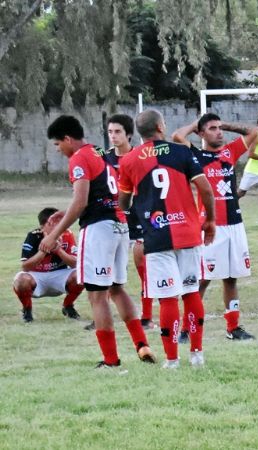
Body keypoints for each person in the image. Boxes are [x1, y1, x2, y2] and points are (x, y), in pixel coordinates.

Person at [43, 115, 155, 368]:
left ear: (67, 139)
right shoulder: (100, 152)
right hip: (119, 226)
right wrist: (67, 211)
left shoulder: (79, 158)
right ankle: (142, 344)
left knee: (97, 296)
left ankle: (111, 360)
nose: (58, 149)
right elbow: (102, 193)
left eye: (58, 144)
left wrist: (53, 235)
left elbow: (81, 201)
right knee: (117, 289)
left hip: (98, 230)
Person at [118, 109, 216, 369]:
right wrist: (210, 221)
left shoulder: (129, 160)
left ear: (139, 132)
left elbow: (123, 202)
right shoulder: (182, 152)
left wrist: (136, 198)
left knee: (167, 299)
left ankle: (172, 360)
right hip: (187, 233)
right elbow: (206, 189)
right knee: (191, 292)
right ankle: (197, 355)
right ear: (161, 127)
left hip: (156, 236)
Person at [172, 113, 258, 341]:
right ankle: (186, 328)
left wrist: (225, 125)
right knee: (202, 279)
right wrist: (197, 124)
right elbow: (177, 135)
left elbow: (253, 131)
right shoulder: (196, 155)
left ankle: (233, 327)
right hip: (211, 226)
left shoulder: (230, 152)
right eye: (212, 129)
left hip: (235, 224)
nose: (219, 132)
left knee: (231, 278)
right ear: (201, 133)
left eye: (219, 128)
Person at [103, 114, 155, 330]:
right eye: (110, 132)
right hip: (112, 220)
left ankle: (147, 317)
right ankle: (102, 314)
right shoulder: (104, 159)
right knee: (106, 270)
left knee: (143, 265)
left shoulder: (140, 156)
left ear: (129, 135)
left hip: (138, 219)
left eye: (118, 132)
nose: (113, 136)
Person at [13, 208, 83, 323]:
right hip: (37, 276)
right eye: (57, 223)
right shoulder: (33, 236)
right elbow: (25, 267)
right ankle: (27, 310)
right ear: (45, 225)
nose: (62, 226)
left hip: (59, 275)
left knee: (82, 275)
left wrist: (59, 250)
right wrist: (44, 250)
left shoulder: (67, 234)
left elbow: (75, 264)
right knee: (21, 280)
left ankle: (68, 306)